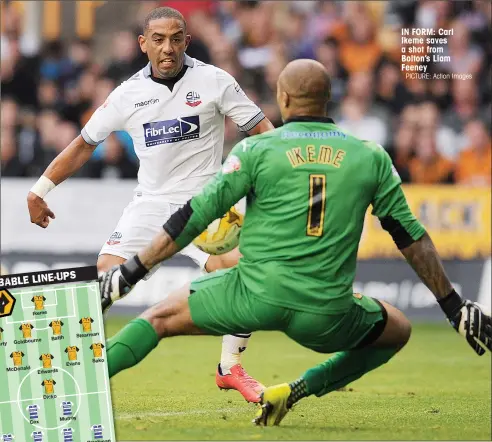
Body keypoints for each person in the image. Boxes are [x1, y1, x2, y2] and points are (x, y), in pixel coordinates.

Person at [98, 58, 491, 426]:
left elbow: (194, 215)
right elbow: (411, 238)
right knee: (399, 329)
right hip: (325, 312)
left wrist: (132, 271)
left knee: (157, 319)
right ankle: (296, 390)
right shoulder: (370, 157)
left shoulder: (256, 149)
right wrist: (453, 306)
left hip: (250, 295)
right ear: (327, 99)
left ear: (283, 99)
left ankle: (78, 382)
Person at [26, 7, 274, 403]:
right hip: (151, 205)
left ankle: (230, 367)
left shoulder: (214, 80)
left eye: (176, 38)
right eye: (158, 39)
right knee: (103, 282)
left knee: (248, 278)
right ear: (143, 44)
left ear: (186, 41)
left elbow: (263, 132)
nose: (168, 47)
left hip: (206, 208)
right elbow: (84, 144)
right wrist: (39, 191)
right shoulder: (127, 94)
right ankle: (57, 368)